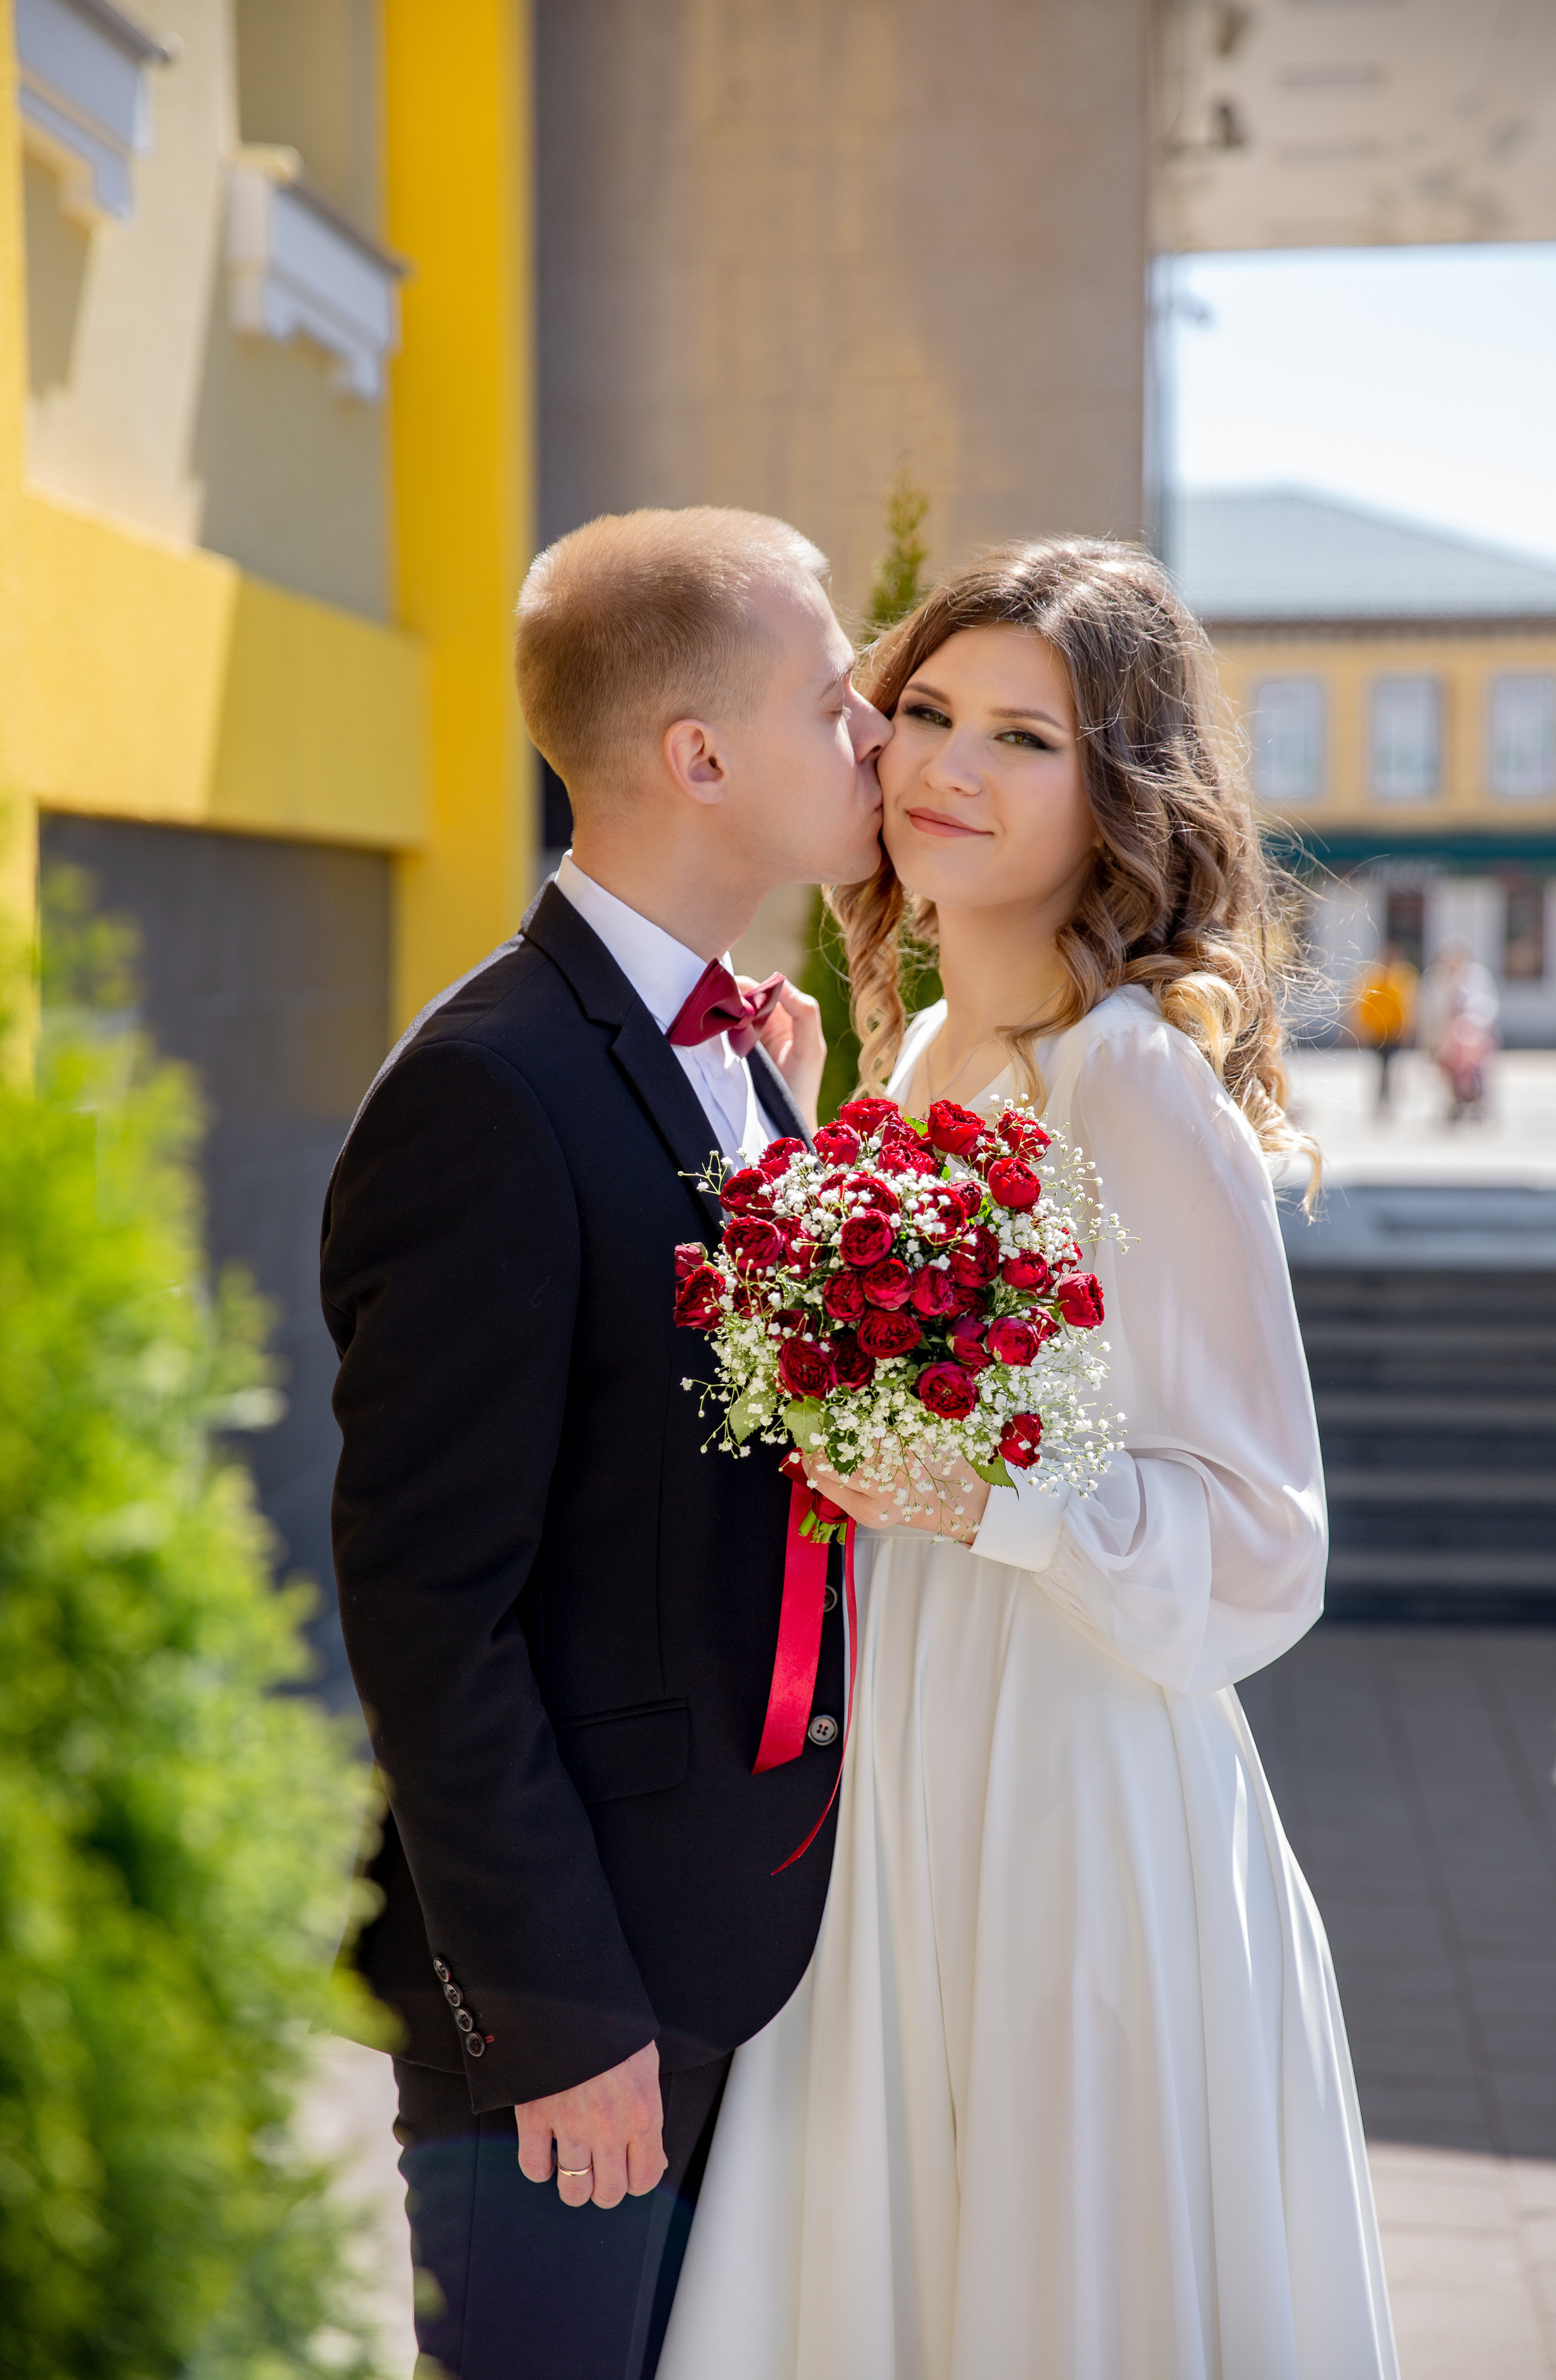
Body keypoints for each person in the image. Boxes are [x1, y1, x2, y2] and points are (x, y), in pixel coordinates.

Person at [659, 539, 1398, 2379]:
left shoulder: (1127, 1079)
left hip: (1070, 1766)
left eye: (1022, 736)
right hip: (908, 1732)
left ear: (1114, 798)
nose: (945, 768)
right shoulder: (913, 1044)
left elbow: (1262, 1541)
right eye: (921, 710)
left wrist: (991, 1494)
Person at [320, 506, 891, 2380]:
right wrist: (559, 2015)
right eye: (835, 700)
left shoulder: (739, 1058)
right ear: (698, 755)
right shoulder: (489, 1089)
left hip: (740, 1951)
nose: (874, 738)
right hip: (575, 2015)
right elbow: (427, 1607)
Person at [1422, 938, 1499, 1123]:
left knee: (1474, 1072)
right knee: (1451, 1072)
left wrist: (1471, 1026)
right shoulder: (1439, 978)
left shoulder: (1476, 976)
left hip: (1473, 1035)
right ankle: (1457, 1104)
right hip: (1450, 1037)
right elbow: (1434, 1011)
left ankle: (1477, 1103)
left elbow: (1485, 1006)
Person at [1352, 939, 1419, 1111]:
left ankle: (1387, 1095)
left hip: (1393, 1032)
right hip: (1378, 1032)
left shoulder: (1400, 981)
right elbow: (1364, 1007)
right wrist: (1362, 1029)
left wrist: (1407, 1029)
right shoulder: (1373, 981)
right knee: (1381, 1066)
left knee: (1390, 1066)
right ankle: (1382, 1095)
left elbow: (1406, 1008)